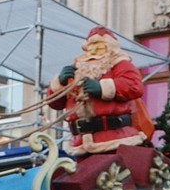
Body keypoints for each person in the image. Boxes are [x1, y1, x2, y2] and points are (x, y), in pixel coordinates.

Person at [44, 26, 152, 156]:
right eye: (90, 47)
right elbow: (55, 104)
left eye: (99, 46)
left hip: (115, 139)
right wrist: (59, 83)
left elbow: (134, 86)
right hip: (80, 144)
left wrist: (102, 88)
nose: (94, 51)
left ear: (110, 47)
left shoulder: (119, 64)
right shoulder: (76, 68)